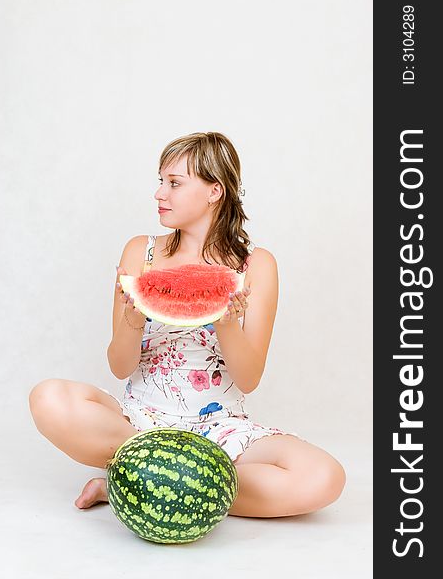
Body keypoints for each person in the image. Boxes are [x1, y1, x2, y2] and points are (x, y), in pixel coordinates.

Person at [29, 131, 346, 518]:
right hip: (140, 424)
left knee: (323, 477)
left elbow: (248, 379)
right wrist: (132, 318)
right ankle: (162, 475)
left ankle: (134, 484)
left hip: (220, 429)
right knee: (48, 398)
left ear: (215, 191)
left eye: (175, 183)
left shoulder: (257, 264)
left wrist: (227, 322)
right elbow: (119, 366)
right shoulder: (140, 251)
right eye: (160, 181)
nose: (160, 194)